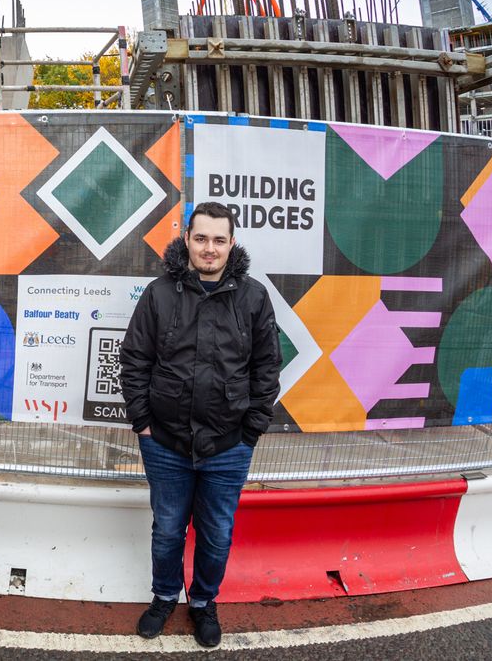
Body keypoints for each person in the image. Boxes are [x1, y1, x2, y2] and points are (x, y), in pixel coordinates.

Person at [118, 201, 280, 648]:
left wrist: (250, 431)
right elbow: (134, 360)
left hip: (229, 446)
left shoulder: (253, 297)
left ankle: (204, 603)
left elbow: (267, 367)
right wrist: (143, 422)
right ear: (187, 239)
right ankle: (164, 595)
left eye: (219, 240)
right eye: (202, 238)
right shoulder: (159, 293)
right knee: (167, 528)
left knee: (216, 533)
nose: (210, 248)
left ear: (232, 244)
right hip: (164, 443)